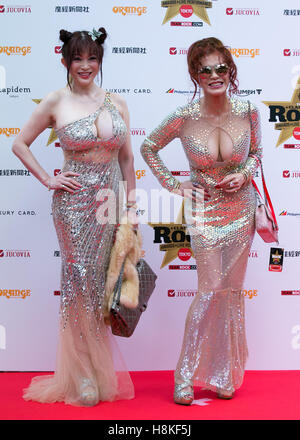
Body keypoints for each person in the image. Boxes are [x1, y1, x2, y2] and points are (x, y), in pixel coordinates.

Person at [12, 28, 137, 406]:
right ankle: (82, 376)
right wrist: (49, 178)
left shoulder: (117, 102)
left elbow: (127, 159)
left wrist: (129, 206)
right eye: (77, 58)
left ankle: (100, 373)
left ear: (100, 62)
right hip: (73, 207)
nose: (85, 66)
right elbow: (19, 143)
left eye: (92, 59)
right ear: (65, 61)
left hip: (111, 205)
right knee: (79, 286)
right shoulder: (55, 101)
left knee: (103, 287)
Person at [140, 37, 262, 402]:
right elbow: (148, 147)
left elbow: (255, 153)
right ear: (195, 74)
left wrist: (246, 174)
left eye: (220, 68)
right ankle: (185, 376)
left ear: (230, 70)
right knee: (209, 291)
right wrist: (174, 185)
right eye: (205, 69)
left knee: (232, 293)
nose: (214, 75)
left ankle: (225, 373)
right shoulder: (184, 117)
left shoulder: (248, 110)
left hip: (242, 210)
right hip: (205, 211)